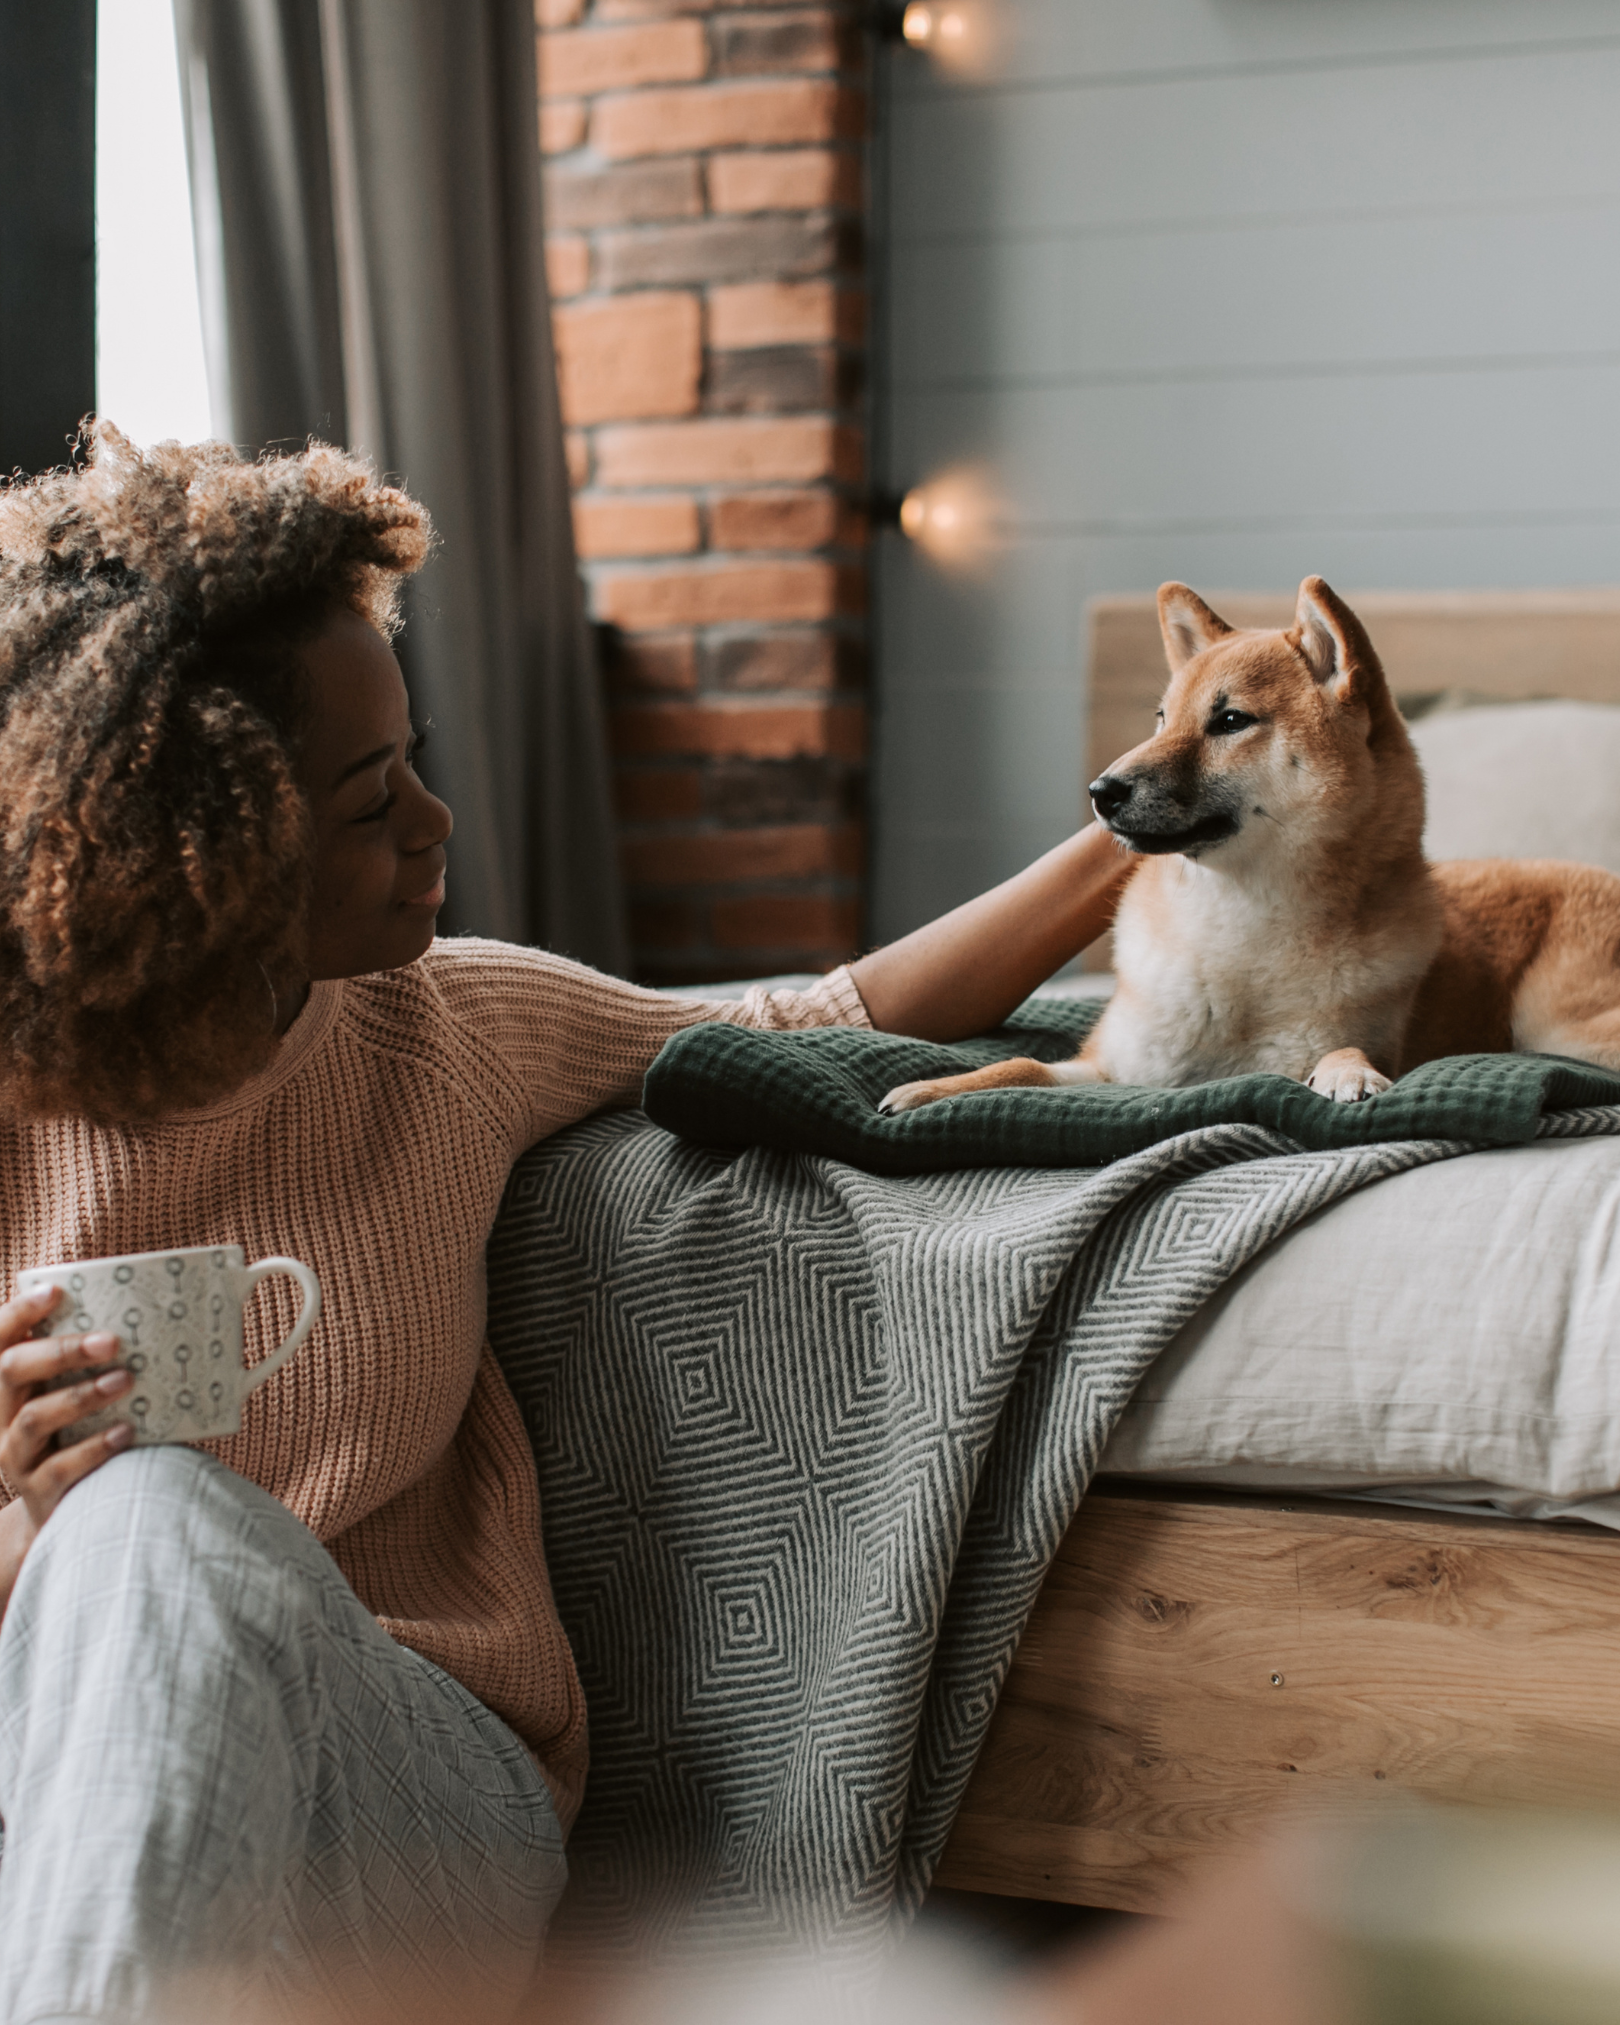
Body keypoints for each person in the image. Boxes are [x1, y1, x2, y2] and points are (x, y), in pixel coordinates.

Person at [0, 424, 1130, 2020]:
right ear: (208, 849)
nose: (436, 827)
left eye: (417, 764)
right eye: (369, 799)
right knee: (129, 1535)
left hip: (417, 1804)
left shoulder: (455, 1032)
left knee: (160, 1521)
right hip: (63, 1804)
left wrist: (1137, 830)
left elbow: (826, 1015)